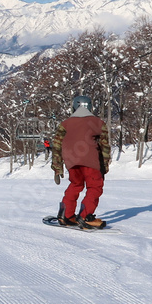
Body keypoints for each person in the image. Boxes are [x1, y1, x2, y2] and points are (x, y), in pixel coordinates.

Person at [51, 96, 111, 229]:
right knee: (94, 187)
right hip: (91, 160)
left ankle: (65, 215)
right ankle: (85, 217)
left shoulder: (65, 124)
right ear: (90, 107)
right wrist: (104, 166)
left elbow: (57, 145)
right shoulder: (98, 123)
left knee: (75, 184)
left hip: (71, 161)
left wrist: (57, 167)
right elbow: (105, 146)